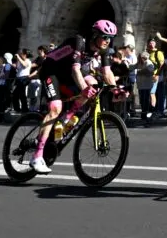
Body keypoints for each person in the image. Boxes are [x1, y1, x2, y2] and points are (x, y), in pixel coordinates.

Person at [29, 20, 117, 173]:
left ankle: (66, 118)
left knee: (94, 84)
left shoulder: (104, 49)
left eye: (110, 38)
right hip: (52, 71)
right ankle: (36, 156)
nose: (107, 41)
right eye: (104, 36)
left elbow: (107, 72)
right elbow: (76, 70)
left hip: (69, 73)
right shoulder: (79, 42)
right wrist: (83, 89)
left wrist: (117, 89)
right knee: (56, 107)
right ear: (95, 35)